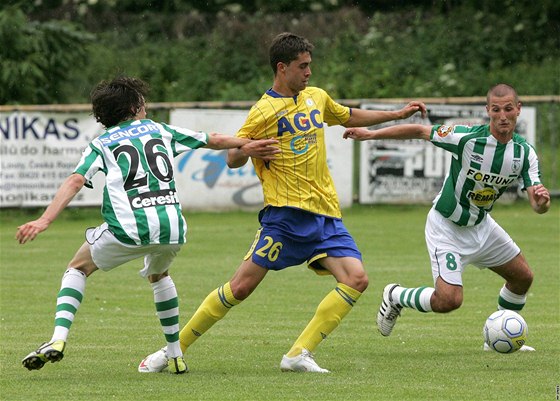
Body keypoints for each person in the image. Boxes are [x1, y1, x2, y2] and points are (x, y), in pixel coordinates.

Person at [138, 32, 426, 374]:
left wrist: (397, 113)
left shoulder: (316, 98)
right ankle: (172, 349)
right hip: (284, 218)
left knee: (356, 279)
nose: (308, 73)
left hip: (325, 216)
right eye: (302, 67)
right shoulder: (264, 111)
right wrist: (249, 149)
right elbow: (232, 156)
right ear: (282, 68)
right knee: (240, 287)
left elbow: (348, 116)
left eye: (309, 66)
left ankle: (298, 354)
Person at [16, 76, 275, 374]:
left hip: (129, 230)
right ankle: (176, 355)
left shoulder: (101, 143)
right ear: (134, 105)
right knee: (160, 275)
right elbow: (212, 139)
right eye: (142, 101)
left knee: (77, 267)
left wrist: (45, 219)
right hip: (173, 228)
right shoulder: (159, 129)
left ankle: (57, 340)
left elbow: (76, 180)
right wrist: (247, 144)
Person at [343, 83, 551, 350]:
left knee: (523, 277)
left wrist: (542, 203)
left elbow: (537, 203)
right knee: (449, 301)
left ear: (518, 110)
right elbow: (419, 130)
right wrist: (369, 135)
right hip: (447, 228)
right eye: (496, 110)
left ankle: (501, 334)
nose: (502, 116)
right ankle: (396, 295)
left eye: (508, 109)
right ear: (488, 111)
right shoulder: (466, 139)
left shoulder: (524, 154)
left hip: (482, 227)